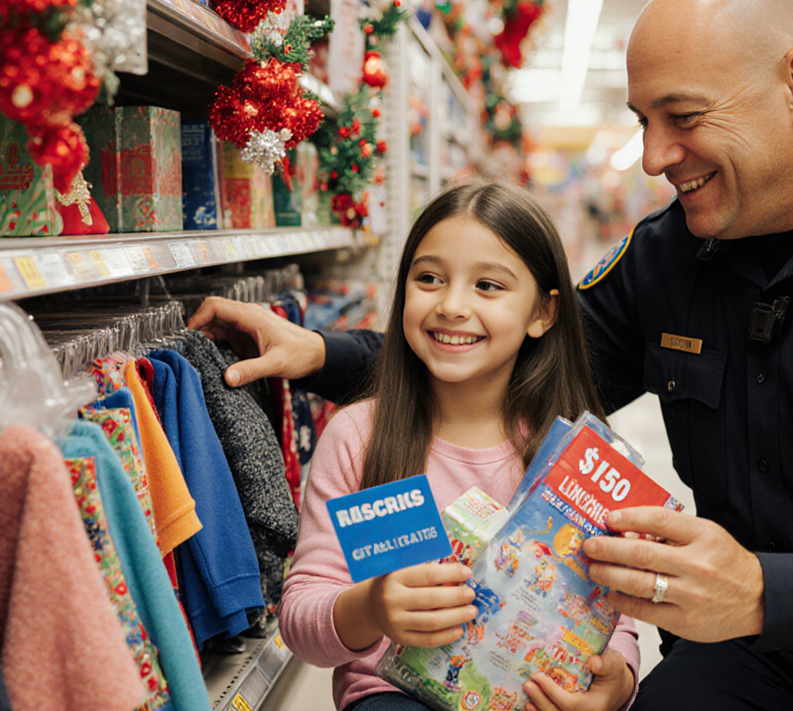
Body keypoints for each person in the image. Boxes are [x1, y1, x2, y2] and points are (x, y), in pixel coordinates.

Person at [188, 0, 793, 710]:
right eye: (643, 123)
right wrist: (327, 355)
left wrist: (771, 592)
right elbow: (520, 354)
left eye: (683, 118)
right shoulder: (668, 257)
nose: (655, 157)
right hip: (747, 656)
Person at [266, 181, 641, 711]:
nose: (452, 305)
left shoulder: (580, 463)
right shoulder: (362, 438)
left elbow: (613, 618)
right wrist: (371, 607)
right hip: (392, 695)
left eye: (488, 285)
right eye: (429, 278)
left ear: (544, 313)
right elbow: (303, 617)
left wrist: (617, 684)